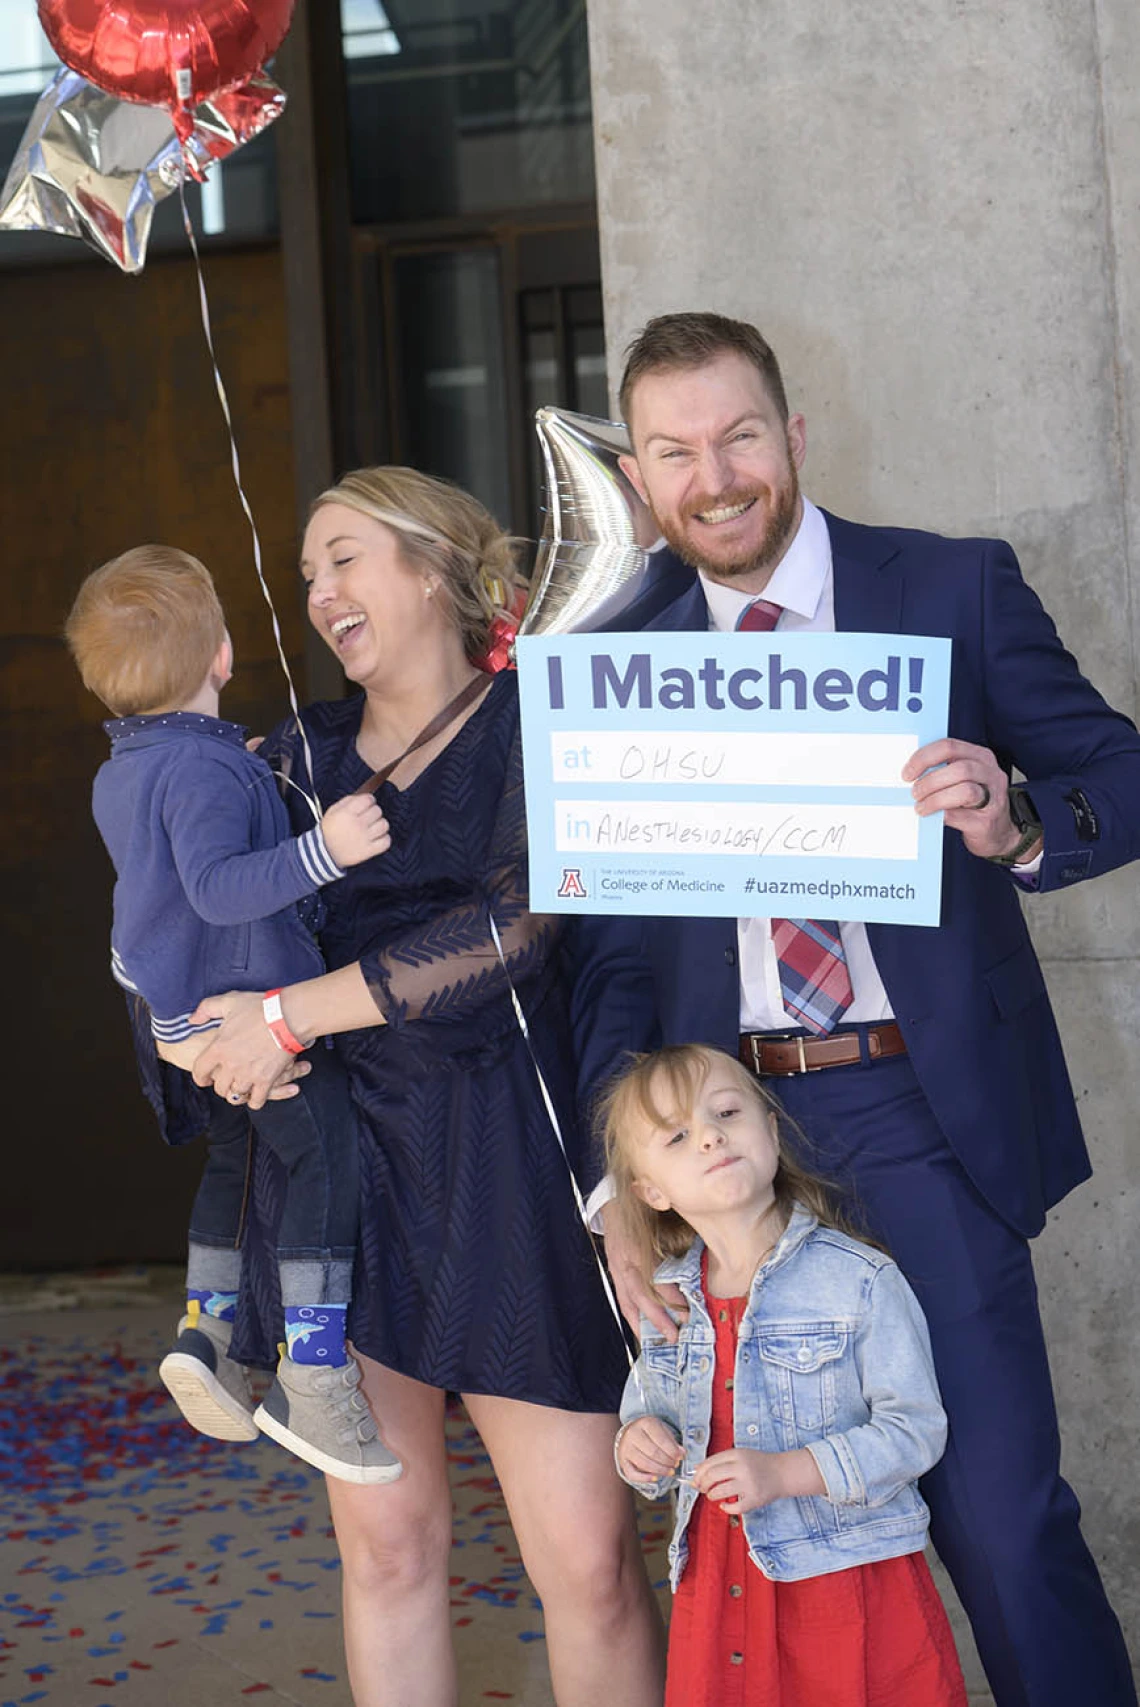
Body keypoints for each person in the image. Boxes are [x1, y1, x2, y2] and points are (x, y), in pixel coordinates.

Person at [569, 312, 1140, 1707]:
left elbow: (1117, 774)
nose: (716, 476)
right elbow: (609, 954)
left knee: (1001, 1525)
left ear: (794, 435)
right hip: (729, 1148)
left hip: (919, 1112)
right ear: (643, 476)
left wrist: (1012, 825)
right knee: (787, 1550)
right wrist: (618, 1185)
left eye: (741, 435)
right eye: (677, 451)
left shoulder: (952, 588)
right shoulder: (615, 653)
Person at [186, 468, 665, 1707]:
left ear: (439, 563)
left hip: (510, 1163)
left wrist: (289, 1010)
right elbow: (193, 931)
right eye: (304, 574)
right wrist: (199, 1018)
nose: (317, 591)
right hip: (345, 1175)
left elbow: (514, 928)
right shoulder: (285, 760)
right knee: (385, 1547)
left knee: (592, 1562)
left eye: (343, 557)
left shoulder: (543, 723)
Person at [65, 545, 401, 1485]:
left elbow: (181, 851)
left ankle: (206, 1327)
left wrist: (242, 775)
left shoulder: (130, 768)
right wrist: (325, 848)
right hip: (238, 1007)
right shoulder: (201, 774)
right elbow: (216, 887)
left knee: (235, 1158)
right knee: (322, 1156)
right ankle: (316, 1370)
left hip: (175, 1016)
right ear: (221, 653)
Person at [602, 1043, 967, 1707]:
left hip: (841, 1581)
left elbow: (915, 1430)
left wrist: (786, 1471)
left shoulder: (859, 1278)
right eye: (679, 1134)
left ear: (770, 1130)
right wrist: (639, 1446)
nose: (710, 1134)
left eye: (727, 1111)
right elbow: (647, 1423)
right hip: (720, 1582)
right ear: (652, 1191)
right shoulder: (670, 1301)